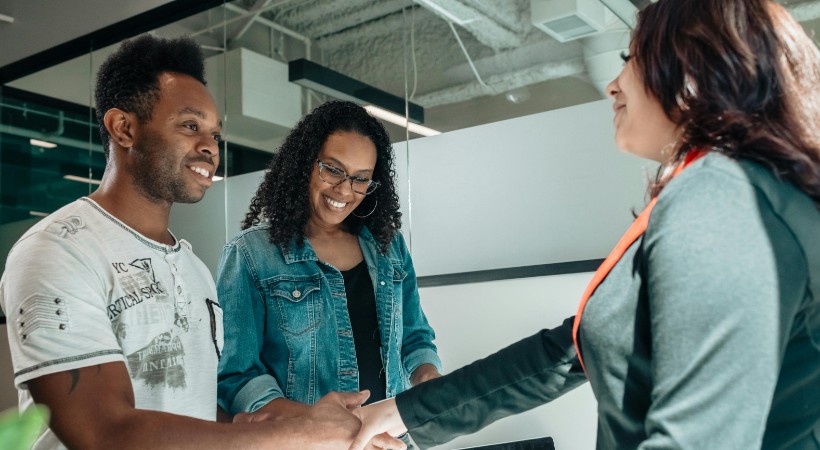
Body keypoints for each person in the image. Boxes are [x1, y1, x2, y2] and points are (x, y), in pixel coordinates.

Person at [350, 0, 820, 449]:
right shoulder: (739, 192)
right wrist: (401, 414)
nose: (613, 85)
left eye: (629, 59)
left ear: (692, 68)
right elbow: (568, 352)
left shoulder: (722, 201)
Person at [0, 34, 402, 450]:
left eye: (215, 134)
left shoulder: (190, 268)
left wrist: (307, 425)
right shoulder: (57, 251)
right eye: (190, 126)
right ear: (124, 128)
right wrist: (299, 430)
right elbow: (104, 433)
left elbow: (197, 411)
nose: (209, 147)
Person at [216, 101, 442, 426]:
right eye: (333, 170)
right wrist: (313, 420)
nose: (345, 190)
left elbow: (415, 337)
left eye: (360, 178)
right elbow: (237, 376)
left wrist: (427, 377)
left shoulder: (389, 248)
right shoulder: (251, 254)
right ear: (305, 163)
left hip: (390, 440)